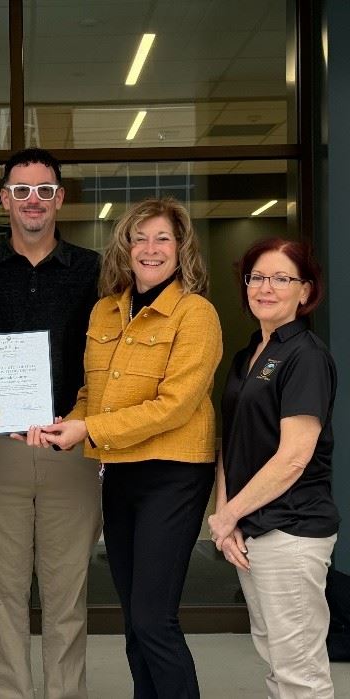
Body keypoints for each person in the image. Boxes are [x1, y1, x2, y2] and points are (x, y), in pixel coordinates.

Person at [29, 197, 223, 699]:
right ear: (125, 247)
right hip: (119, 473)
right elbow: (90, 395)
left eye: (163, 239)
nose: (151, 249)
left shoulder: (195, 314)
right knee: (134, 620)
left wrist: (87, 430)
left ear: (182, 251)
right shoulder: (105, 310)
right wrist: (63, 425)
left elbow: (176, 406)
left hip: (173, 473)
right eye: (141, 238)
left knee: (154, 618)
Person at [0, 148, 102, 699]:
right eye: (21, 190)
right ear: (5, 200)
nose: (33, 200)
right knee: (0, 594)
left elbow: (107, 359)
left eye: (44, 190)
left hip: (71, 447)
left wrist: (88, 422)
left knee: (68, 595)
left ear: (60, 198)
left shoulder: (94, 270)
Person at [209, 238, 339, 698]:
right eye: (257, 277)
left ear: (305, 291)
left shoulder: (306, 356)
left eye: (282, 278)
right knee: (274, 658)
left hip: (293, 530)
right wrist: (229, 517)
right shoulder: (249, 355)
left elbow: (293, 458)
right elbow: (233, 441)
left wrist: (226, 518)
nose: (266, 288)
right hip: (252, 527)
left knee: (299, 670)